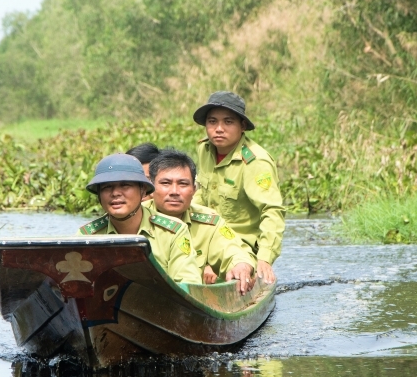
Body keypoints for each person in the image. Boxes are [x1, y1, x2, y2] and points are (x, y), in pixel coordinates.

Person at [192, 91, 285, 284]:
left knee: (238, 278)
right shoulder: (204, 149)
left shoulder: (255, 162)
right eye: (212, 122)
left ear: (242, 126)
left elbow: (272, 211)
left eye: (228, 122)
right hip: (206, 240)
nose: (218, 129)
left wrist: (265, 259)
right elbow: (199, 196)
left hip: (242, 247)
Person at [77, 153, 202, 284]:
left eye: (125, 185)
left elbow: (188, 285)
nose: (115, 193)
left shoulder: (173, 231)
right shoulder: (87, 236)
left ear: (143, 190)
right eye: (107, 187)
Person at [145, 149, 256, 295]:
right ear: (151, 188)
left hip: (191, 300)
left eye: (183, 184)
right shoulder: (136, 216)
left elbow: (232, 249)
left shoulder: (209, 221)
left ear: (194, 189)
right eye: (165, 183)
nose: (174, 191)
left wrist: (241, 266)